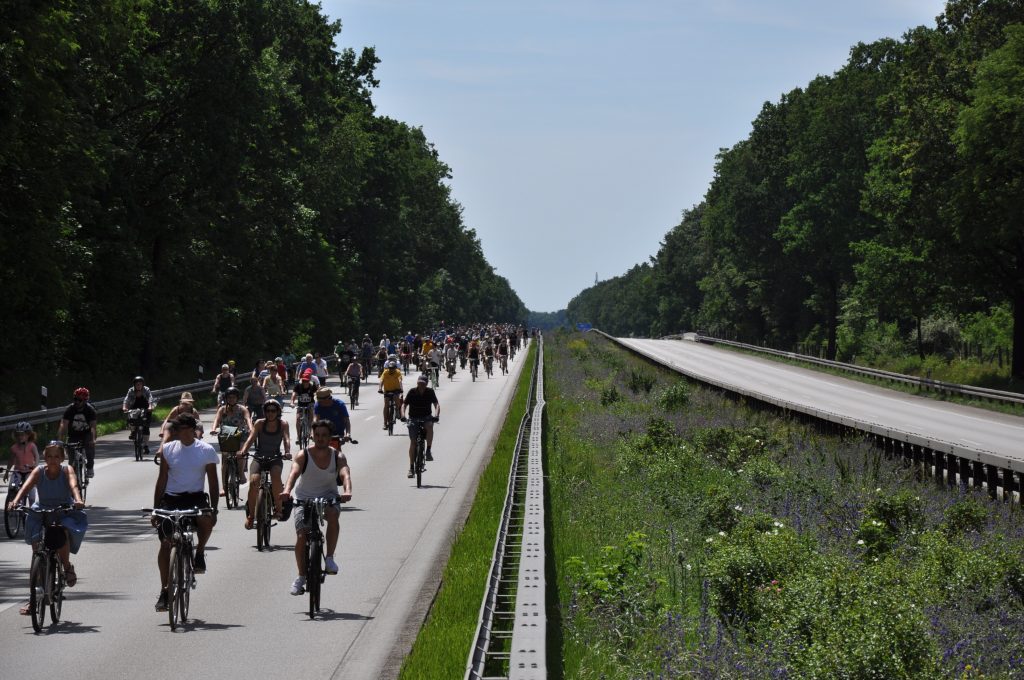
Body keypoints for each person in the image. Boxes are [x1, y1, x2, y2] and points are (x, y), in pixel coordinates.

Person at [8, 441, 87, 614]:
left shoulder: (67, 471)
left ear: (62, 458)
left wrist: (78, 500)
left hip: (62, 510)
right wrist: (15, 501)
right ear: (44, 457)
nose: (52, 460)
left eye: (56, 456)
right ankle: (33, 600)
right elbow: (26, 486)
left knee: (61, 532)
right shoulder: (39, 472)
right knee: (37, 555)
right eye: (49, 456)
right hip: (40, 511)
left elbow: (74, 485)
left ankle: (66, 566)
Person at [151, 414, 218, 612]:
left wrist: (213, 508)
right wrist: (156, 508)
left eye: (179, 428)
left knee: (205, 520)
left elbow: (213, 483)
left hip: (195, 497)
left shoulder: (205, 450)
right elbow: (162, 479)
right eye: (175, 428)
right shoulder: (168, 449)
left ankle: (199, 553)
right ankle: (165, 590)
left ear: (190, 429)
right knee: (165, 544)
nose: (176, 432)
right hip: (171, 499)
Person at [280, 419, 352, 595]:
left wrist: (347, 490)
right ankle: (301, 577)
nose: (320, 439)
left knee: (333, 515)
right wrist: (287, 490)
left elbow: (345, 474)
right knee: (302, 535)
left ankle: (329, 558)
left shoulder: (337, 456)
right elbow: (293, 473)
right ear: (312, 435)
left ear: (330, 438)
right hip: (304, 498)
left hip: (328, 498)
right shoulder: (303, 455)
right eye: (317, 435)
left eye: (324, 435)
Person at [238, 398, 291, 529]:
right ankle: (251, 516)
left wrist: (288, 451)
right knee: (254, 481)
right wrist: (243, 451)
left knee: (275, 476)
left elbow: (286, 439)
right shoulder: (259, 423)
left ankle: (278, 510)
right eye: (267, 411)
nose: (270, 413)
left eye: (273, 411)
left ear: (278, 411)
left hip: (275, 458)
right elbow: (251, 438)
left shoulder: (283, 424)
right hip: (259, 457)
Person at [210, 387, 253, 493]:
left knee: (240, 453)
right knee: (225, 457)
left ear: (237, 398)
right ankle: (224, 487)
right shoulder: (222, 409)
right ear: (226, 398)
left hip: (241, 434)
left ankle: (241, 473)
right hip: (227, 433)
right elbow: (217, 419)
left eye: (234, 397)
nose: (231, 399)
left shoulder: (242, 409)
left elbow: (248, 419)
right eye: (229, 397)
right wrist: (213, 429)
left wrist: (251, 429)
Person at [400, 375, 440, 478]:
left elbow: (436, 404)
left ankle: (428, 450)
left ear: (426, 384)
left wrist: (436, 415)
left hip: (426, 417)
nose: (421, 385)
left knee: (430, 426)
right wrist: (403, 415)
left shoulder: (430, 392)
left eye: (423, 383)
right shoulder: (412, 392)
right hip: (413, 418)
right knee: (413, 442)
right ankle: (411, 468)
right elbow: (404, 405)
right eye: (419, 383)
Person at [57, 387, 97, 478]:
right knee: (71, 461)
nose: (77, 402)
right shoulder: (70, 409)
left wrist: (93, 439)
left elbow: (93, 427)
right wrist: (59, 441)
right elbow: (63, 425)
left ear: (85, 400)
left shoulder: (90, 410)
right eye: (75, 399)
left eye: (79, 400)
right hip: (73, 435)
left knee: (90, 448)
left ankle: (90, 466)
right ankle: (74, 480)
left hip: (87, 434)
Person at [5, 422, 39, 507]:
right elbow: (11, 461)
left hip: (29, 471)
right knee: (12, 487)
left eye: (22, 435)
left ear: (28, 435)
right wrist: (7, 472)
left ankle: (32, 510)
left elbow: (37, 456)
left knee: (31, 494)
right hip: (17, 471)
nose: (20, 437)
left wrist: (36, 467)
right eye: (18, 435)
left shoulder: (32, 446)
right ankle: (13, 504)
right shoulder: (14, 448)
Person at [122, 375, 156, 447]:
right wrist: (124, 407)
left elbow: (150, 398)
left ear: (142, 384)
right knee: (131, 420)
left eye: (140, 384)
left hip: (146, 408)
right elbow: (126, 399)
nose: (138, 385)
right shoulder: (131, 390)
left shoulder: (146, 389)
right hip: (134, 407)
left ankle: (146, 445)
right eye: (137, 384)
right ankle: (133, 432)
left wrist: (150, 407)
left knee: (146, 427)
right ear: (134, 384)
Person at [292, 369, 319, 443]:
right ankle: (298, 436)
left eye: (306, 381)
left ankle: (310, 432)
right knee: (298, 418)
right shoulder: (298, 385)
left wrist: (316, 399)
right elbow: (294, 394)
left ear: (309, 380)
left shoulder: (312, 385)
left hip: (310, 404)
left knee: (311, 415)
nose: (305, 382)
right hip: (301, 405)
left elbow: (316, 393)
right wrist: (292, 402)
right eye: (304, 381)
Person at [377, 360, 404, 428]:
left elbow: (400, 380)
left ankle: (397, 410)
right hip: (387, 390)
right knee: (386, 405)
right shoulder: (385, 372)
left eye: (393, 368)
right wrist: (380, 388)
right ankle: (385, 423)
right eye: (390, 368)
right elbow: (381, 381)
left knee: (396, 399)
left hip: (396, 390)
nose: (391, 369)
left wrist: (401, 389)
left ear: (395, 368)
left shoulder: (398, 372)